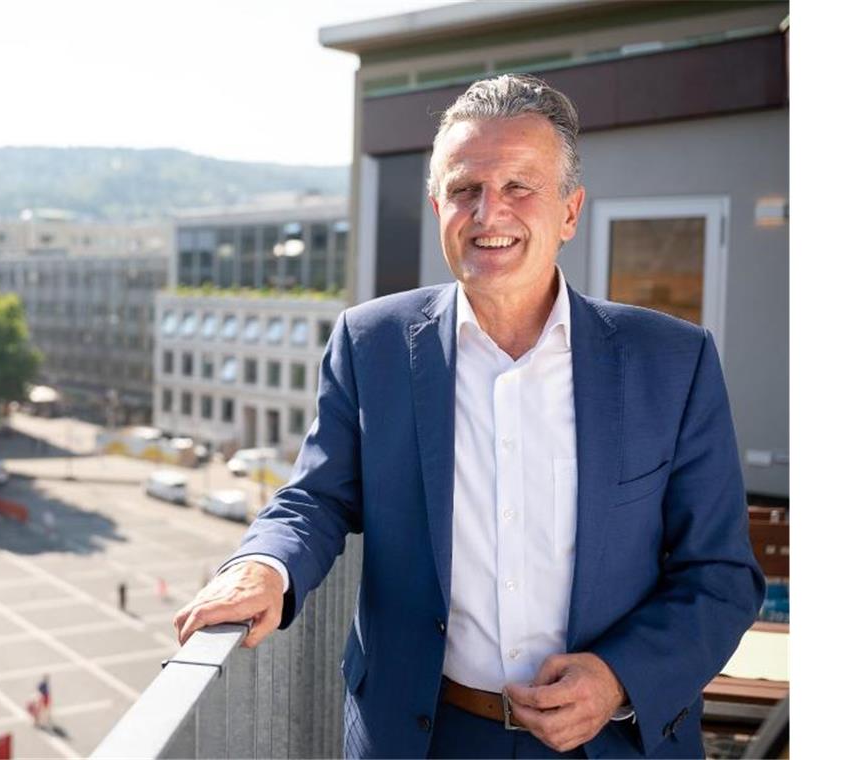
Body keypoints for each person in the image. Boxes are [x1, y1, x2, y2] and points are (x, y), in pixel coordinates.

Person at [173, 74, 764, 758]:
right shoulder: (372, 344)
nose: (490, 213)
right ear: (438, 207)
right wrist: (264, 567)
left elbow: (720, 575)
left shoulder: (672, 361)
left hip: (611, 739)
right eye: (465, 190)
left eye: (519, 186)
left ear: (570, 212)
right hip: (425, 736)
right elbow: (316, 498)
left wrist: (617, 678)